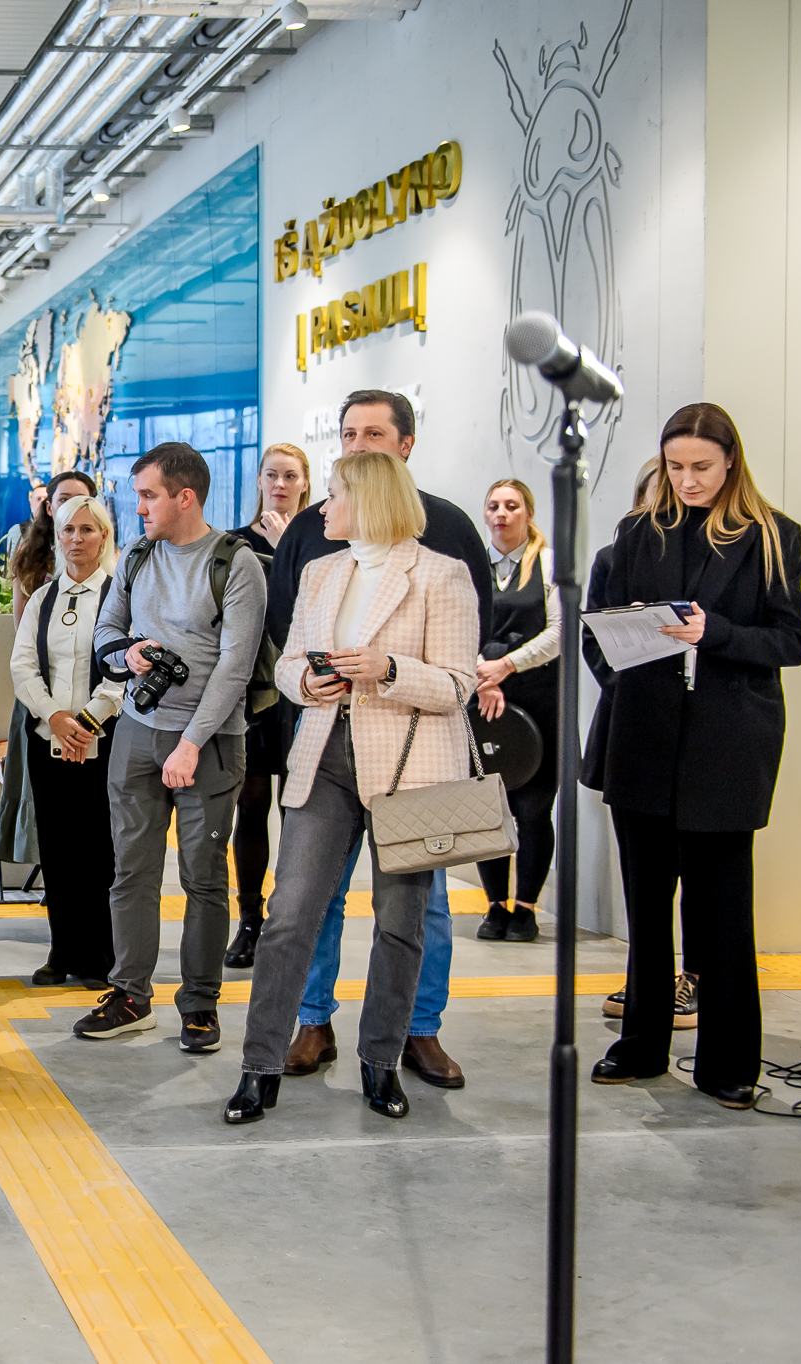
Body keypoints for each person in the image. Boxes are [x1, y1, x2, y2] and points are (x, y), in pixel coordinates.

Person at [226, 450, 478, 1124]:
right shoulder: (321, 572)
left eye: (333, 494)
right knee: (289, 916)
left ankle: (381, 1061)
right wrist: (310, 681)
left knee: (400, 924)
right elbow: (287, 667)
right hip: (324, 756)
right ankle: (259, 1067)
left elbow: (459, 683)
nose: (322, 507)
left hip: (412, 766)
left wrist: (389, 669)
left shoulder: (441, 575)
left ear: (368, 500)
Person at [588, 403, 801, 1110]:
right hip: (642, 740)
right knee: (648, 909)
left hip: (726, 747)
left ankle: (729, 1059)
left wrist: (715, 634)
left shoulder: (772, 535)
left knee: (722, 916)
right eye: (676, 466)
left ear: (731, 462)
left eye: (702, 468)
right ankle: (642, 1043)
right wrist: (628, 671)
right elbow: (598, 636)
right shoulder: (637, 533)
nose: (687, 480)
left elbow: (791, 641)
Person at [75, 442, 265, 1052]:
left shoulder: (236, 563)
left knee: (203, 877)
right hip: (136, 730)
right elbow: (106, 631)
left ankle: (200, 1004)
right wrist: (128, 653)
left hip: (209, 741)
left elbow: (235, 669)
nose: (139, 508)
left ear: (185, 497)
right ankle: (130, 995)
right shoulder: (137, 554)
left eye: (148, 495)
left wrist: (191, 742)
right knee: (131, 871)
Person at [583, 459, 696, 1028]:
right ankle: (647, 979)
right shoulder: (614, 557)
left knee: (700, 872)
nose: (671, 499)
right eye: (660, 491)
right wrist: (630, 680)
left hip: (700, 732)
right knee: (644, 877)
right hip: (634, 724)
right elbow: (594, 638)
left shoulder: (707, 558)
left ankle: (693, 977)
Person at [10, 493, 125, 985]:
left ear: (104, 537)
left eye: (87, 530)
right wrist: (55, 716)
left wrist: (87, 723)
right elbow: (22, 665)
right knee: (56, 848)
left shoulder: (119, 596)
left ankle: (99, 956)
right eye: (68, 530)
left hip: (105, 741)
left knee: (98, 848)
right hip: (47, 738)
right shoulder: (43, 598)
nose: (77, 539)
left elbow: (123, 669)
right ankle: (63, 950)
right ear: (57, 538)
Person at [227, 443, 311, 967]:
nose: (280, 484)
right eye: (272, 475)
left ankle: (292, 920)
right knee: (251, 805)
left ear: (305, 482)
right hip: (254, 693)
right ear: (259, 480)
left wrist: (287, 548)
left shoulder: (322, 539)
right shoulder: (235, 543)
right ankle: (250, 919)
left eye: (290, 476)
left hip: (305, 694)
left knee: (298, 812)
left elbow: (316, 611)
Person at [471, 479, 560, 943]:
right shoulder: (471, 567)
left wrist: (507, 666)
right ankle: (494, 905)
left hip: (539, 697)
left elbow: (559, 632)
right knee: (489, 804)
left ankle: (525, 909)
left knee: (534, 807)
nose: (501, 513)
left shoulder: (548, 564)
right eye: (493, 506)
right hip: (483, 696)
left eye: (511, 505)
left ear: (528, 513)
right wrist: (483, 676)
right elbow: (455, 627)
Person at [8, 469, 101, 622]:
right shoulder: (29, 555)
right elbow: (22, 625)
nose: (71, 506)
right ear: (49, 508)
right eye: (63, 499)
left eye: (79, 499)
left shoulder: (106, 552)